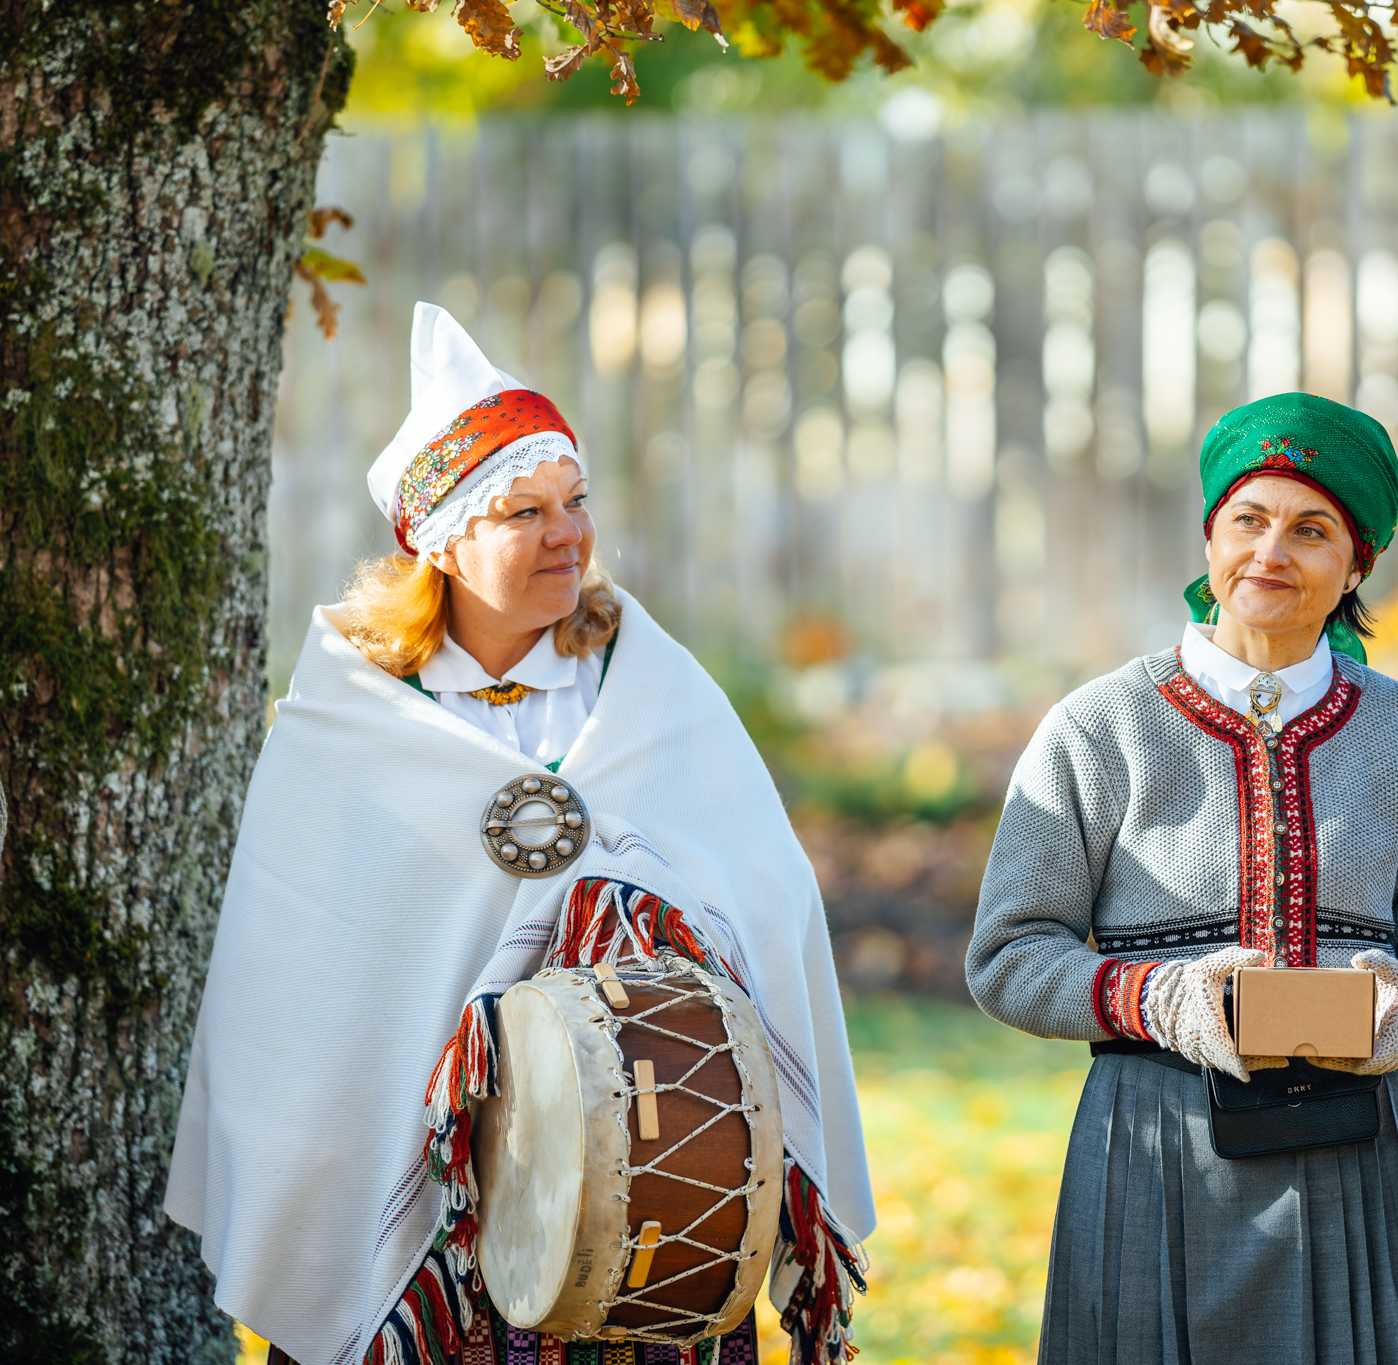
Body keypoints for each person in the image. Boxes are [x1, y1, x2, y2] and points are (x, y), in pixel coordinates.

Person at [167, 305, 872, 1365]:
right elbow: (302, 974)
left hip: (647, 1181)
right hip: (429, 1197)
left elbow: (765, 897)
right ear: (441, 542)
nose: (568, 535)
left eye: (576, 501)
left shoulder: (649, 690)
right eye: (524, 512)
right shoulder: (355, 721)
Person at [967, 392, 1398, 1365]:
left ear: (1357, 565)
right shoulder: (1097, 728)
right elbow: (1008, 956)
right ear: (1209, 537)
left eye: (1311, 530)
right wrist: (1158, 997)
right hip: (1156, 1149)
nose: (1271, 552)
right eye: (1248, 520)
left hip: (1373, 1150)